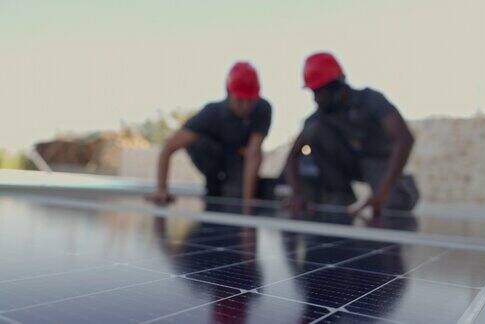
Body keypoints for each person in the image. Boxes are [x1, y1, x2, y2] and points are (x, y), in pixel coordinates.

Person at [286, 52, 419, 216]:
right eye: (314, 92)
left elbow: (404, 138)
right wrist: (297, 193)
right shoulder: (319, 119)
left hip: (376, 161)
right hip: (342, 168)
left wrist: (383, 192)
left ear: (337, 86)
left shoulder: (370, 100)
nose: (316, 99)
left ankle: (397, 189)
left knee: (394, 201)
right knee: (315, 130)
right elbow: (292, 157)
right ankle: (339, 199)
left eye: (320, 92)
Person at [146, 62, 272, 214]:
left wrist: (247, 204)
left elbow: (254, 154)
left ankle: (229, 187)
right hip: (213, 162)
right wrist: (161, 189)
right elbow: (167, 149)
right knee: (196, 142)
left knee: (235, 193)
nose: (245, 106)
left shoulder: (262, 109)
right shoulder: (211, 114)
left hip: (238, 165)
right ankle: (215, 182)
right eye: (240, 100)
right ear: (228, 93)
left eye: (250, 100)